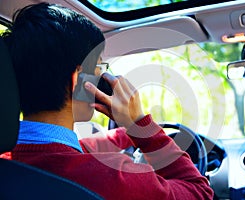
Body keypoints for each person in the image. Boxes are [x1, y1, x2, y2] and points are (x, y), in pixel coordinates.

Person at [1, 3, 214, 200]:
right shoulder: (114, 178)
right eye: (100, 71)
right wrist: (139, 124)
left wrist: (125, 134)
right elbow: (199, 191)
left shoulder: (9, 163)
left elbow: (62, 149)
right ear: (78, 81)